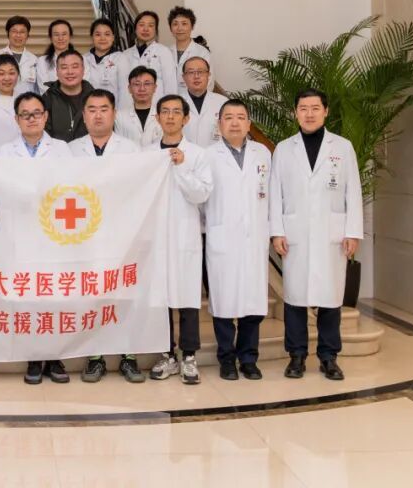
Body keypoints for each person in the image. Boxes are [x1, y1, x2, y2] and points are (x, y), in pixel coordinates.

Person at [269, 88, 363, 382]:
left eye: (314, 108)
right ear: (295, 113)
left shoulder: (343, 147)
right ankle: (296, 356)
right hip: (294, 233)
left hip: (331, 234)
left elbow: (354, 191)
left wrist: (352, 232)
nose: (309, 114)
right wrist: (276, 231)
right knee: (295, 297)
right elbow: (275, 193)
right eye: (303, 108)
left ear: (326, 111)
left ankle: (328, 357)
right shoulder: (284, 148)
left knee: (330, 298)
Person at [68, 90, 144, 383]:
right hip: (83, 235)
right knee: (92, 296)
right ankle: (95, 356)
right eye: (92, 110)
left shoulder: (132, 150)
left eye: (104, 109)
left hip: (121, 234)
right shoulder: (70, 151)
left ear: (114, 114)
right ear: (84, 115)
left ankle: (128, 356)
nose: (98, 115)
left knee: (123, 294)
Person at [0, 92, 73, 384]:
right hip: (20, 232)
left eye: (36, 113)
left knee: (53, 294)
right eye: (25, 114)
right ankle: (33, 357)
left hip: (54, 232)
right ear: (17, 119)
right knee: (28, 295)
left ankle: (54, 357)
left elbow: (70, 186)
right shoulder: (5, 151)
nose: (31, 119)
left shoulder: (62, 149)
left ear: (46, 116)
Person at [146, 95, 214, 385]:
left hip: (185, 234)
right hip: (155, 237)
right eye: (165, 111)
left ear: (186, 119)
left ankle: (188, 355)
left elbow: (202, 194)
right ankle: (166, 354)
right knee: (160, 298)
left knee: (187, 297)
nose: (170, 117)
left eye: (176, 112)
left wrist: (182, 167)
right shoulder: (147, 154)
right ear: (157, 118)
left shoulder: (197, 154)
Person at [204, 99, 271, 381]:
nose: (235, 122)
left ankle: (248, 358)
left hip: (254, 237)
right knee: (223, 303)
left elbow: (271, 195)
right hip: (222, 237)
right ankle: (227, 359)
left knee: (253, 303)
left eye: (240, 117)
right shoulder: (208, 155)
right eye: (228, 117)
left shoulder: (263, 154)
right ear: (219, 123)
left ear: (249, 124)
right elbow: (200, 199)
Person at [117, 10, 177, 109]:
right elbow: (121, 87)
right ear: (135, 29)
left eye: (150, 25)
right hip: (129, 109)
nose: (145, 29)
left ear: (156, 30)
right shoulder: (125, 55)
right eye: (141, 25)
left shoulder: (164, 52)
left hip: (156, 108)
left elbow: (170, 85)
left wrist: (169, 109)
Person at [41, 48, 94, 143]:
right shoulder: (47, 99)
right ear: (57, 71)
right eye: (64, 67)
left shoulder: (95, 98)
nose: (70, 72)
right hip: (57, 151)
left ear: (83, 69)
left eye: (75, 67)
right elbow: (42, 135)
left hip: (89, 151)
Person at [179, 56, 227, 147]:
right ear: (184, 77)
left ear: (208, 75)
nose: (196, 76)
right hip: (184, 154)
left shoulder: (223, 103)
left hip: (215, 154)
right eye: (191, 72)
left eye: (200, 72)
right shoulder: (174, 103)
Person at [115, 66, 163, 147]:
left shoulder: (163, 115)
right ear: (129, 88)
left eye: (147, 84)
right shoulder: (119, 117)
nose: (142, 89)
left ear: (155, 87)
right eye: (137, 84)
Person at [0, 15, 36, 93]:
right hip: (0, 100)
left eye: (22, 32)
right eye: (14, 31)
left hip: (26, 100)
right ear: (7, 33)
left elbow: (36, 90)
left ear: (28, 35)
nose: (18, 35)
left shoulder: (34, 60)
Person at [168, 6, 214, 85]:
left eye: (184, 24)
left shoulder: (203, 53)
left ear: (192, 27)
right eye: (175, 24)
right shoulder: (165, 52)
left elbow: (208, 83)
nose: (180, 28)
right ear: (170, 28)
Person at [83, 18, 122, 97]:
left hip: (113, 104)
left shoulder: (121, 58)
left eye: (107, 34)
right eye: (98, 34)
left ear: (113, 37)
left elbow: (125, 90)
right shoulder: (83, 59)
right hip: (88, 103)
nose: (102, 38)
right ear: (92, 37)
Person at [35, 19, 74, 93]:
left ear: (70, 36)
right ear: (50, 38)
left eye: (64, 34)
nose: (60, 38)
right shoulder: (42, 61)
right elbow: (44, 88)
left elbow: (83, 86)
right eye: (56, 34)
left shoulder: (83, 60)